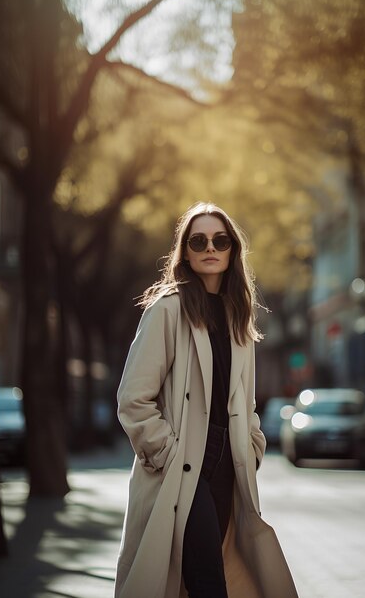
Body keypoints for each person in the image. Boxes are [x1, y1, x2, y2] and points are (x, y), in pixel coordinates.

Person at [114, 202, 298, 598]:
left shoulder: (239, 319)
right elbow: (133, 398)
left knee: (207, 578)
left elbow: (244, 404)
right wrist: (166, 453)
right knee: (208, 581)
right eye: (198, 240)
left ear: (233, 249)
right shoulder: (167, 310)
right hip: (182, 465)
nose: (210, 247)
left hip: (226, 466)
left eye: (220, 240)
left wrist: (252, 448)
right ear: (185, 250)